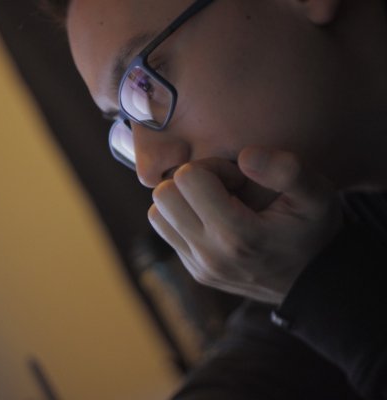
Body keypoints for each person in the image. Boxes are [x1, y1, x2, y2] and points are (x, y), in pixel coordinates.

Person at [40, 0, 387, 398]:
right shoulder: (340, 222)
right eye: (126, 123)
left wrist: (314, 289)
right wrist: (305, 285)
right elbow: (258, 365)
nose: (148, 169)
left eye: (145, 85)